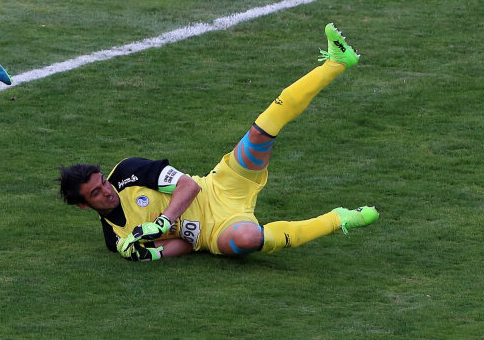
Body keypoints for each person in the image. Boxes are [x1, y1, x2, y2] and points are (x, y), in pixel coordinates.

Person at [58, 23, 378, 262]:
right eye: (96, 193)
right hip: (214, 233)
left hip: (218, 186)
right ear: (84, 205)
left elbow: (188, 187)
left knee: (260, 133)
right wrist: (152, 254)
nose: (107, 190)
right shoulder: (116, 239)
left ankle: (336, 62)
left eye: (102, 182)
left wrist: (162, 222)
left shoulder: (128, 172)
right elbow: (183, 245)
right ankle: (338, 219)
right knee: (248, 239)